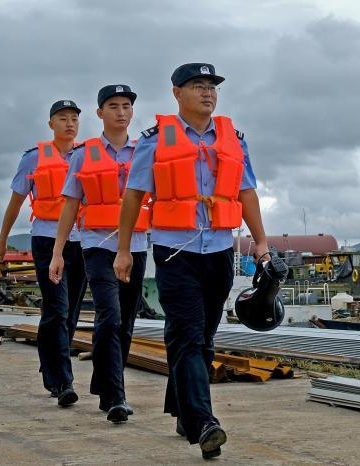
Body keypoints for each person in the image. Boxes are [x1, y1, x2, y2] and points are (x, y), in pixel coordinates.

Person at [114, 63, 270, 459]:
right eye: (197, 86)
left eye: (211, 87)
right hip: (174, 252)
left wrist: (262, 243)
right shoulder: (154, 141)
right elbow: (133, 195)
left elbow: (246, 192)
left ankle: (184, 411)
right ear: (176, 93)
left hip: (219, 252)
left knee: (202, 339)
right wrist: (123, 250)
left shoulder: (233, 139)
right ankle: (204, 423)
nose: (207, 93)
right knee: (186, 334)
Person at [50, 84, 150, 424]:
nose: (121, 112)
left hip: (136, 245)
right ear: (100, 113)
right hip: (96, 244)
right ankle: (115, 396)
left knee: (125, 321)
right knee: (109, 316)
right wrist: (58, 252)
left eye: (126, 106)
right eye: (113, 106)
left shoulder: (144, 151)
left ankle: (105, 382)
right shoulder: (83, 153)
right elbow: (70, 205)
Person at [0, 99, 87, 407]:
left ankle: (51, 363)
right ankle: (62, 382)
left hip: (83, 241)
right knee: (57, 309)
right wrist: (2, 240)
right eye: (63, 118)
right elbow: (16, 201)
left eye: (74, 118)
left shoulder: (87, 155)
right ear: (51, 124)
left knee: (70, 311)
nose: (69, 123)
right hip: (47, 240)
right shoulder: (34, 159)